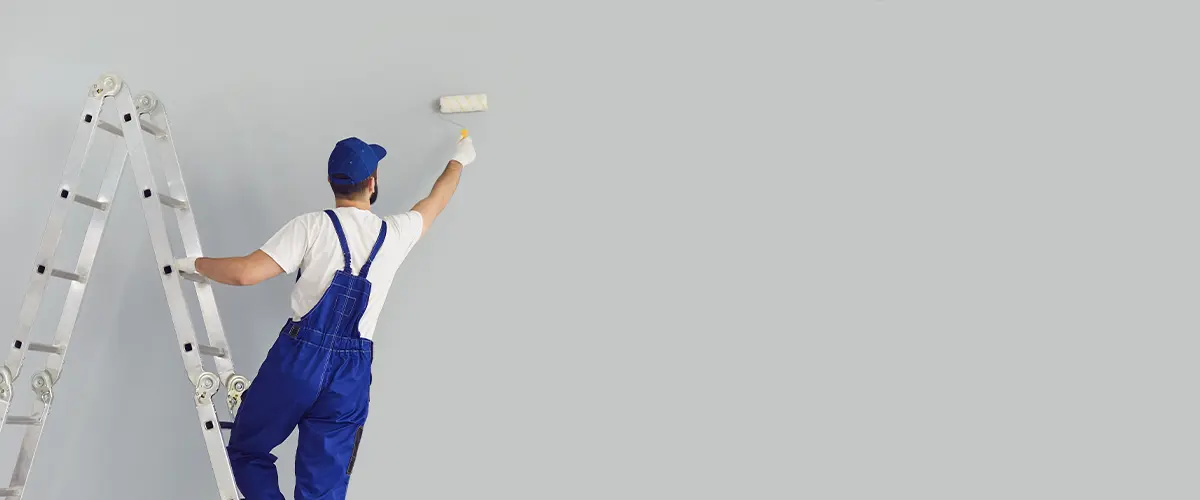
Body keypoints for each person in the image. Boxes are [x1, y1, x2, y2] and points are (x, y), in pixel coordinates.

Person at [172, 134, 478, 500]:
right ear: (372, 183)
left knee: (246, 450)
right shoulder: (395, 232)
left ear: (333, 183)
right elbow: (437, 199)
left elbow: (244, 274)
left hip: (297, 360)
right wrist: (459, 159)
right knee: (324, 490)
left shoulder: (311, 226)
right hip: (350, 375)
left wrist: (194, 264)